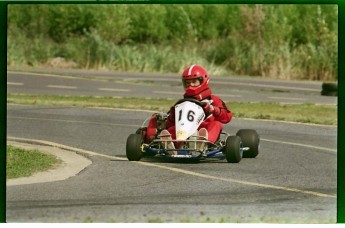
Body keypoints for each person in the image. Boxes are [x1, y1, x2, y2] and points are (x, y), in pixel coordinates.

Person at [160, 64, 233, 154]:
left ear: (203, 81)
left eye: (194, 81)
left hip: (205, 129)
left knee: (216, 124)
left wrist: (213, 109)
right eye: (188, 82)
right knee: (171, 130)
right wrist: (172, 116)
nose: (190, 85)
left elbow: (228, 116)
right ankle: (171, 146)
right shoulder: (182, 103)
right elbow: (169, 125)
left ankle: (202, 144)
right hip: (185, 130)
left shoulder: (213, 100)